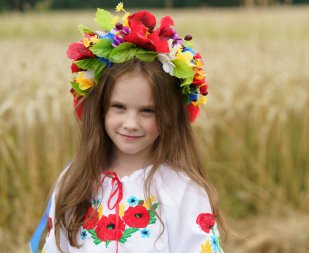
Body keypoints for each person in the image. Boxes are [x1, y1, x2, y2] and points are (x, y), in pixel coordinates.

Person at [33, 3, 226, 253]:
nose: (131, 124)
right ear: (99, 108)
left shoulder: (184, 192)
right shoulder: (73, 182)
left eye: (148, 111)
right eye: (119, 107)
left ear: (169, 116)